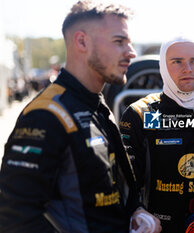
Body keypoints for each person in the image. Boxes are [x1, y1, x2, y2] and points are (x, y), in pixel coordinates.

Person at [0, 1, 161, 233]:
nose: (131, 52)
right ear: (82, 41)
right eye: (119, 41)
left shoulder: (96, 102)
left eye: (130, 42)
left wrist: (136, 210)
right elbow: (14, 219)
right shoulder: (44, 116)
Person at [119, 36, 194, 233]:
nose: (187, 68)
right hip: (156, 226)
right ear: (163, 65)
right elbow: (124, 180)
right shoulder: (142, 113)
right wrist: (137, 212)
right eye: (177, 61)